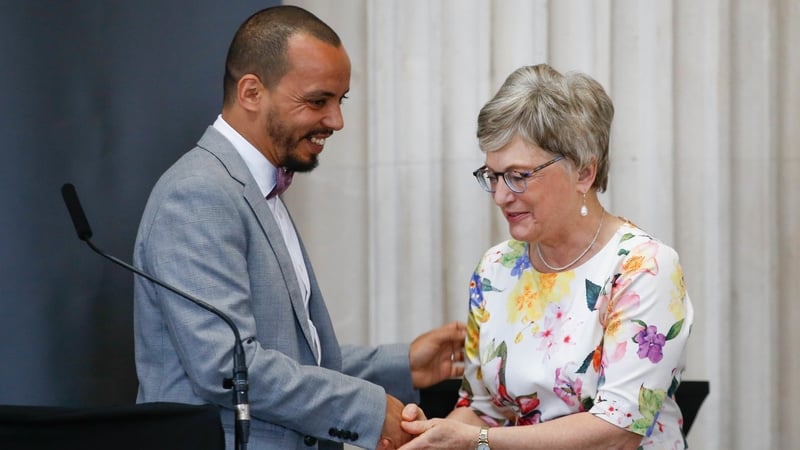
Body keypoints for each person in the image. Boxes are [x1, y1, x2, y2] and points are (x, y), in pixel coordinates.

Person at [132, 6, 466, 450]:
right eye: (317, 101)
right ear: (251, 91)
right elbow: (230, 369)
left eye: (340, 100)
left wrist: (403, 365)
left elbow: (294, 358)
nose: (336, 121)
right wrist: (367, 409)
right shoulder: (198, 194)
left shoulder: (255, 186)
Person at [397, 64, 694, 449]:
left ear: (584, 173)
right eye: (492, 175)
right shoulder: (496, 269)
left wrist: (477, 441)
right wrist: (433, 437)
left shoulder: (642, 267)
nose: (501, 195)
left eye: (519, 175)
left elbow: (618, 432)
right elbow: (481, 408)